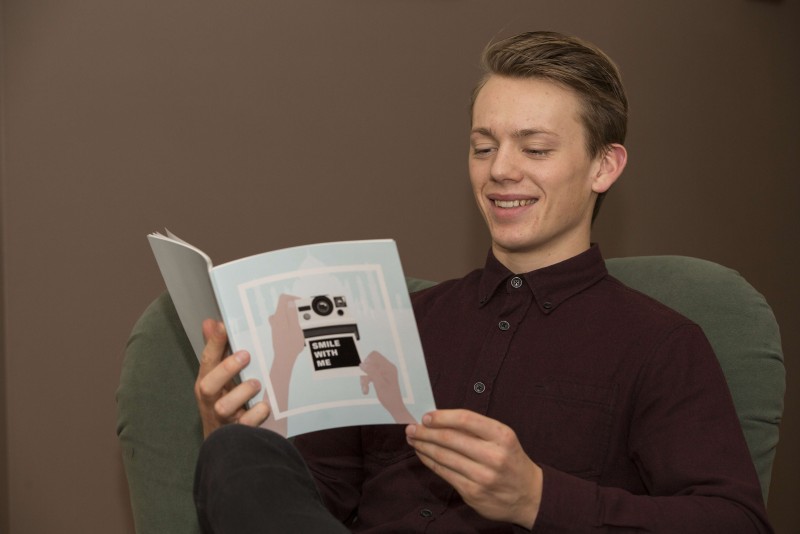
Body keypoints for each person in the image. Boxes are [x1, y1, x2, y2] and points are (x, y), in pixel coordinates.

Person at [192, 31, 773, 533]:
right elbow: (320, 497)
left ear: (604, 166)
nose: (500, 169)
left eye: (535, 149)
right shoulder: (397, 321)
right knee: (237, 452)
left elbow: (736, 522)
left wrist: (537, 497)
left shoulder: (660, 344)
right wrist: (237, 442)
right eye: (484, 147)